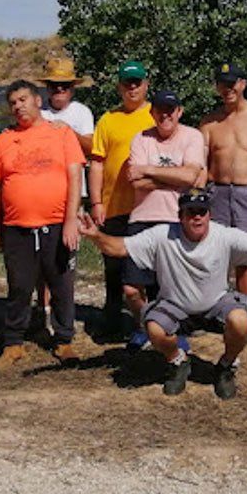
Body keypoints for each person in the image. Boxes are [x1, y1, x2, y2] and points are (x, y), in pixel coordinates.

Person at [79, 188, 247, 400]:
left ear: (209, 215)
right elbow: (119, 247)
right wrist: (95, 236)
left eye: (202, 212)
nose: (197, 217)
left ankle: (225, 366)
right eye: (191, 212)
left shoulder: (225, 235)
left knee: (241, 320)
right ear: (180, 216)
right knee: (153, 327)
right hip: (175, 304)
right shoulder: (162, 235)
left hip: (216, 302)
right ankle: (178, 361)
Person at [0, 79, 85, 368]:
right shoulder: (4, 140)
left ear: (38, 101)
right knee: (19, 286)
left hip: (56, 225)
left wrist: (70, 221)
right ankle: (13, 342)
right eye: (13, 103)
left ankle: (64, 340)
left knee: (62, 285)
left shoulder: (61, 133)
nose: (18, 106)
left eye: (23, 99)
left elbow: (75, 177)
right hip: (17, 227)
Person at [122, 90, 206, 337]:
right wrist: (177, 178)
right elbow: (136, 182)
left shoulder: (192, 136)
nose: (165, 115)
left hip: (175, 219)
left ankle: (171, 331)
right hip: (142, 219)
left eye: (171, 110)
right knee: (132, 289)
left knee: (172, 287)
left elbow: (191, 176)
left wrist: (148, 169)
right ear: (152, 112)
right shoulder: (141, 139)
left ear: (179, 112)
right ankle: (146, 327)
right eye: (160, 110)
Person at [88, 60, 155, 339]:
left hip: (149, 207)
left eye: (137, 82)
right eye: (127, 83)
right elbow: (97, 163)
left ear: (146, 85)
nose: (132, 88)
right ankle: (113, 321)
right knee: (113, 268)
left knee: (151, 269)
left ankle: (155, 324)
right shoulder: (108, 119)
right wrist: (96, 203)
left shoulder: (157, 114)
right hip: (114, 206)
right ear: (119, 87)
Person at [200, 62, 247, 297]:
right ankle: (217, 305)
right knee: (215, 252)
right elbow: (201, 164)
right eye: (222, 84)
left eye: (232, 84)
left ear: (242, 84)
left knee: (246, 254)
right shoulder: (209, 122)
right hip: (217, 193)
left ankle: (245, 307)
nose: (228, 89)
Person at [36, 58, 95, 330]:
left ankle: (63, 315)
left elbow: (92, 148)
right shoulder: (39, 113)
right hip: (41, 195)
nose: (59, 90)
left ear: (72, 88)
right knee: (39, 258)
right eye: (54, 85)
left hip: (72, 195)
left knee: (65, 257)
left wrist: (68, 132)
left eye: (65, 86)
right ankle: (42, 310)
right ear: (47, 88)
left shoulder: (81, 113)